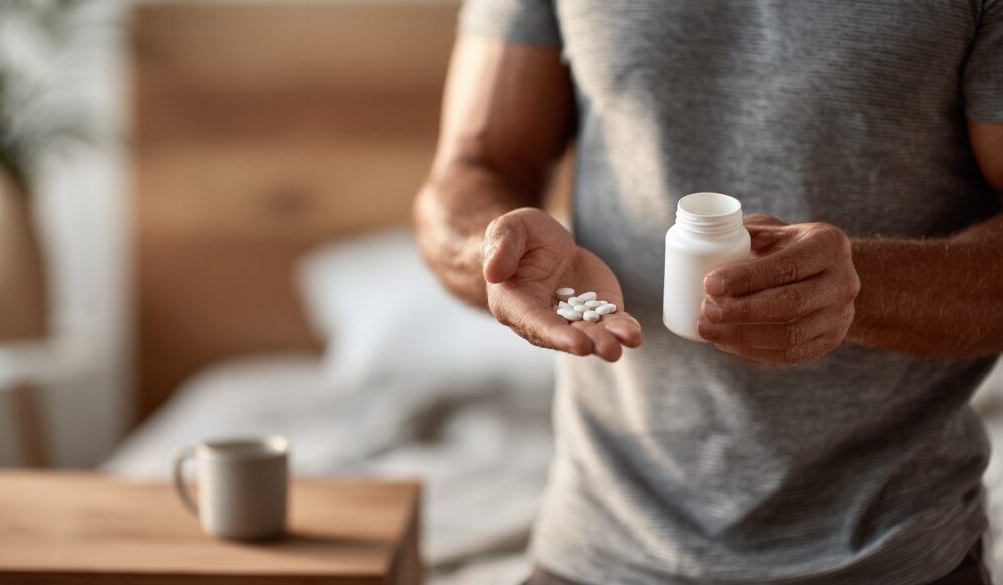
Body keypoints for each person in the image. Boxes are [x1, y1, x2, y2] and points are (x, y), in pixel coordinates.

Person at [413, 2, 1003, 584]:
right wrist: (494, 254)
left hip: (892, 554)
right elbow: (474, 166)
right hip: (601, 549)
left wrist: (861, 286)